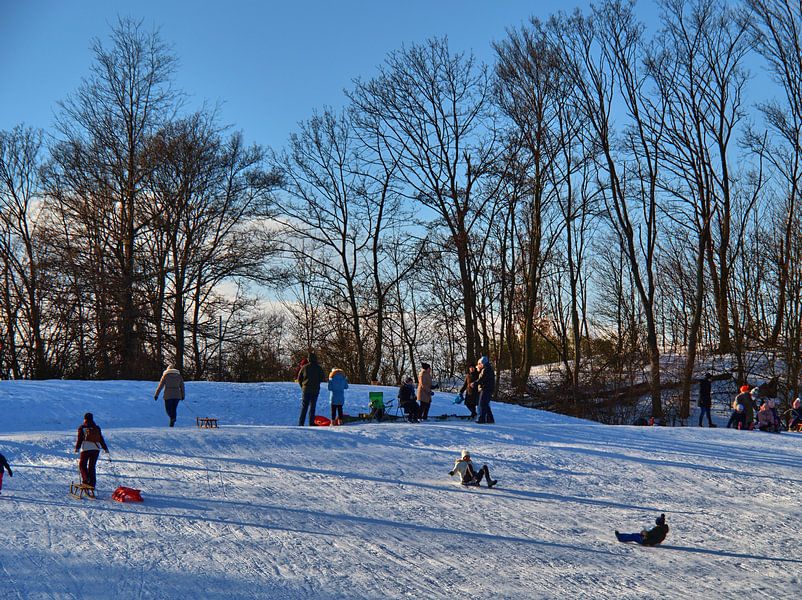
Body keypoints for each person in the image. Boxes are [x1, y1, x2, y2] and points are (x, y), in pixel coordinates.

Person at [74, 412, 109, 489]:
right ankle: (92, 484)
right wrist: (105, 448)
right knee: (92, 466)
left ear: (85, 419)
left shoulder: (82, 427)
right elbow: (101, 439)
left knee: (82, 465)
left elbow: (80, 439)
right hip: (96, 449)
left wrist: (77, 448)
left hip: (86, 449)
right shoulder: (97, 428)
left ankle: (86, 480)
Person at [297, 352, 326, 426]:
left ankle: (301, 423)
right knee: (312, 407)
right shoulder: (319, 368)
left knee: (304, 407)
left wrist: (303, 386)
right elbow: (322, 378)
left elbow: (299, 378)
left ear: (308, 359)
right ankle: (311, 423)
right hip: (315, 390)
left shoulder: (304, 367)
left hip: (305, 390)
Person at [476, 356, 495, 424]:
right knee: (485, 404)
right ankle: (490, 419)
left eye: (480, 363)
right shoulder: (486, 369)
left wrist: (475, 383)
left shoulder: (486, 369)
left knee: (482, 404)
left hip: (486, 388)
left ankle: (482, 419)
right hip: (487, 388)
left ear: (482, 363)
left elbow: (482, 379)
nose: (479, 365)